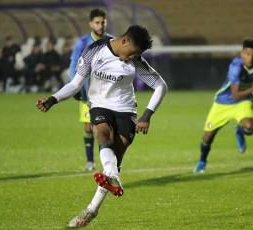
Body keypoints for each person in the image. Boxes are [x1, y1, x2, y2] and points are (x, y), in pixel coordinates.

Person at [36, 25, 167, 228]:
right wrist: (53, 100)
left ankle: (93, 208)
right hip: (99, 106)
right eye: (132, 52)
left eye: (136, 54)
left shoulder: (136, 61)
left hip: (126, 111)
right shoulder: (94, 51)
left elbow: (161, 85)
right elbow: (75, 84)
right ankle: (100, 197)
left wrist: (147, 115)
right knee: (103, 135)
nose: (131, 57)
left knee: (114, 161)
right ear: (124, 41)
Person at [194, 38, 253, 173]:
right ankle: (202, 161)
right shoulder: (236, 67)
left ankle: (240, 130)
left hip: (243, 102)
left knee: (250, 128)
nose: (250, 58)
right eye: (247, 54)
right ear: (242, 53)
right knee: (207, 137)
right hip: (223, 102)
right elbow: (235, 94)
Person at [69, 9, 113, 171]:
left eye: (103, 22)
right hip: (88, 92)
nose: (100, 25)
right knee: (89, 127)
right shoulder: (82, 42)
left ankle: (109, 163)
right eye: (97, 22)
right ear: (90, 24)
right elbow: (73, 65)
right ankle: (90, 161)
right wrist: (76, 85)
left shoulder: (111, 41)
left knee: (106, 128)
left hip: (108, 92)